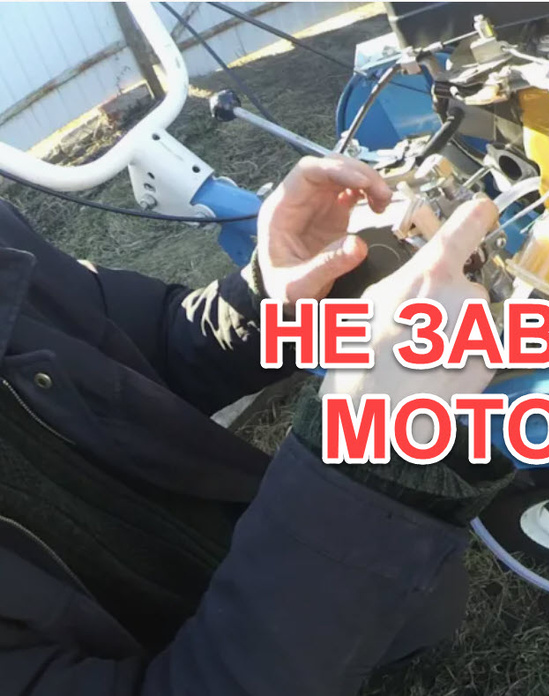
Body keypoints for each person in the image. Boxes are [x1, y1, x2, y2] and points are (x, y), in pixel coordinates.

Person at [0, 155, 511, 694]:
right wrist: (362, 463)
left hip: (257, 567)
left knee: (414, 611)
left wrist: (269, 297)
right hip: (242, 645)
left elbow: (149, 342)